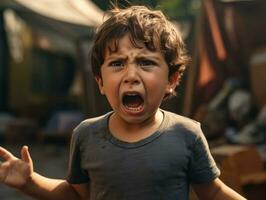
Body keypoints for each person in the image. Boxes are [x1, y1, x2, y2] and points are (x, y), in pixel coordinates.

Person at [0, 5, 246, 200]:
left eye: (146, 62)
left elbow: (213, 192)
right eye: (117, 63)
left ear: (172, 79)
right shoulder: (86, 135)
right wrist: (31, 183)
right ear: (100, 82)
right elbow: (76, 194)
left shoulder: (187, 134)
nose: (130, 76)